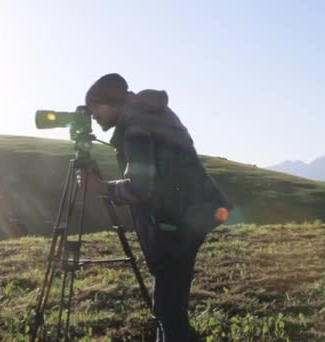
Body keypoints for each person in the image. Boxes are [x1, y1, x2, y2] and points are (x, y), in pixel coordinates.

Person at [77, 73, 231, 342]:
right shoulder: (150, 115)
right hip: (190, 214)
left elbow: (140, 188)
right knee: (170, 304)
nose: (93, 116)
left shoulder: (137, 128)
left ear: (112, 102)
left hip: (177, 221)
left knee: (168, 311)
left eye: (95, 108)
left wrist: (101, 188)